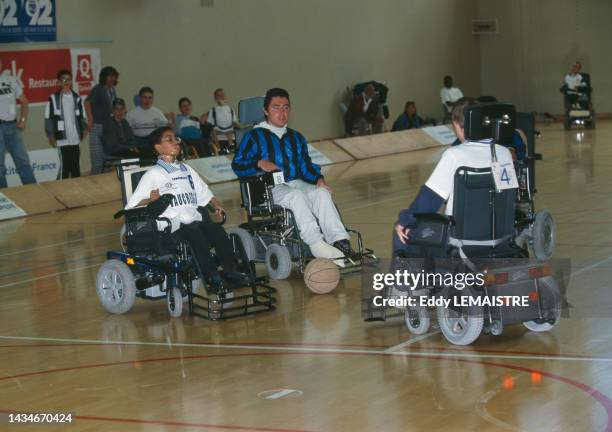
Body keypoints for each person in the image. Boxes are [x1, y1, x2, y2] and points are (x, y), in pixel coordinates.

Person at [232, 87, 355, 264]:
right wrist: (258, 163)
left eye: (286, 107)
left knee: (321, 193)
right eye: (276, 107)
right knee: (296, 196)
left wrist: (318, 179)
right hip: (268, 188)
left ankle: (340, 241)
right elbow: (238, 165)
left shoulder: (296, 137)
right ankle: (315, 243)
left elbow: (306, 166)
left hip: (295, 182)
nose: (282, 113)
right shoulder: (254, 136)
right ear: (266, 110)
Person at [126, 126, 247, 292]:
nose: (175, 142)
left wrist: (215, 204)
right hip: (172, 225)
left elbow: (203, 191)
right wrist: (151, 199)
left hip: (194, 219)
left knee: (218, 233)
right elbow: (131, 205)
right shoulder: (153, 174)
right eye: (169, 139)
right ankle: (212, 276)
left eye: (176, 138)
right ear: (158, 147)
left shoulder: (187, 169)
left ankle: (230, 271)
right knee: (196, 236)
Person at [394, 98, 514, 255]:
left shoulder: (454, 156)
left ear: (457, 125)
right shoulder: (504, 153)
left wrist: (405, 220)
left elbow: (428, 201)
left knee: (402, 231)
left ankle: (401, 280)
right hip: (501, 237)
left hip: (461, 241)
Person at [44, 69, 87, 179]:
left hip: (74, 138)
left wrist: (84, 130)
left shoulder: (77, 98)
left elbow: (82, 116)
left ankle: (76, 190)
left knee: (75, 167)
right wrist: (51, 136)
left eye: (69, 79)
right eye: (64, 79)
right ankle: (61, 192)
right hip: (61, 138)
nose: (67, 81)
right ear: (59, 82)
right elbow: (48, 118)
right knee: (65, 167)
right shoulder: (53, 98)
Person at [0, 58, 36, 189]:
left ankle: (34, 193)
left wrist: (23, 120)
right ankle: (4, 199)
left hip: (13, 127)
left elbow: (25, 101)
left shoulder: (11, 80)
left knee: (23, 162)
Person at [85, 66, 119, 175]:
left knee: (108, 159)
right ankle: (94, 183)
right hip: (97, 127)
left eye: (114, 76)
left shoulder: (113, 90)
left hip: (109, 128)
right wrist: (90, 119)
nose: (112, 79)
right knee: (97, 159)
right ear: (104, 77)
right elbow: (87, 102)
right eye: (110, 76)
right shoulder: (98, 89)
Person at [207, 88, 239, 155]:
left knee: (230, 131)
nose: (221, 97)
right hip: (218, 130)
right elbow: (209, 123)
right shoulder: (213, 110)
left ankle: (231, 147)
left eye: (223, 95)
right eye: (219, 95)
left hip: (229, 129)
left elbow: (234, 121)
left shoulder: (230, 109)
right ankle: (218, 148)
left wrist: (238, 125)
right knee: (213, 130)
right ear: (216, 98)